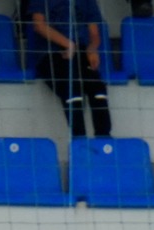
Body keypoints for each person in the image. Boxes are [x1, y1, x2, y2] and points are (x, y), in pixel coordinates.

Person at [28, 0, 111, 139]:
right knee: (72, 89)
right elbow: (39, 25)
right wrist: (68, 44)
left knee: (98, 88)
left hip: (80, 52)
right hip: (50, 53)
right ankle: (79, 141)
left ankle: (104, 140)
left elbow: (94, 33)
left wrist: (92, 48)